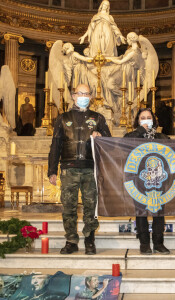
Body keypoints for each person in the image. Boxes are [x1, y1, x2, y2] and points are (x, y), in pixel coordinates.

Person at [48, 84, 111, 255]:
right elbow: (55, 145)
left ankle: (89, 240)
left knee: (91, 206)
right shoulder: (62, 118)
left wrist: (101, 136)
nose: (83, 96)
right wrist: (52, 170)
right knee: (69, 206)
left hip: (91, 169)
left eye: (86, 93)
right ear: (73, 96)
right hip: (69, 169)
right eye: (80, 93)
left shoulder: (98, 118)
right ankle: (71, 240)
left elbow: (109, 143)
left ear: (91, 97)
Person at [124, 108, 170, 255]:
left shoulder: (162, 137)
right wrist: (140, 131)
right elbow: (121, 145)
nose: (145, 120)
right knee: (141, 211)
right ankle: (144, 243)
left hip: (159, 180)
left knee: (159, 211)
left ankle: (158, 242)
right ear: (138, 121)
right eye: (142, 117)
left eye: (148, 117)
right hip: (139, 179)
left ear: (153, 120)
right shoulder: (132, 136)